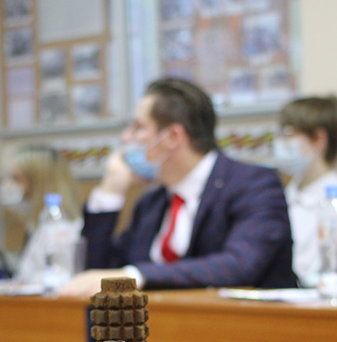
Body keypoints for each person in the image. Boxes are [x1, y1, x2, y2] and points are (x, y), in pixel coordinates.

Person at [59, 77, 295, 298]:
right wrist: (110, 193)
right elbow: (97, 274)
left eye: (138, 127)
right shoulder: (152, 202)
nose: (126, 137)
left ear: (173, 137)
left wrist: (136, 276)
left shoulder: (254, 185)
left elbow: (239, 265)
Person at [274, 95, 337, 287]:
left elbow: (316, 271)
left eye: (288, 134)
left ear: (318, 139)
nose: (279, 143)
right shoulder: (280, 196)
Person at [0, 144, 83, 284]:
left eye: (16, 178)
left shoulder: (61, 227)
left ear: (39, 183)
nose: (7, 184)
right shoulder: (35, 225)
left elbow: (58, 279)